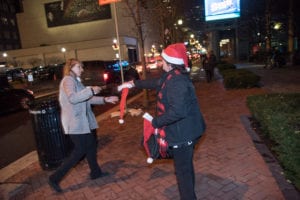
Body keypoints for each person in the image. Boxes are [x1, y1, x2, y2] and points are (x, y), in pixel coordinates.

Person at [118, 43, 206, 200]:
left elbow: (178, 111)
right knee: (185, 167)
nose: (160, 63)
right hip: (184, 130)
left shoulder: (177, 81)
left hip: (184, 134)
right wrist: (133, 84)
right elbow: (156, 83)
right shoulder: (172, 75)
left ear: (170, 63)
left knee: (182, 173)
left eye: (162, 60)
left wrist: (156, 122)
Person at [48, 58, 119, 193]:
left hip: (83, 122)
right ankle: (54, 178)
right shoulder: (68, 80)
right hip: (75, 123)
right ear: (71, 68)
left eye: (82, 67)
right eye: (79, 67)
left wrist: (105, 99)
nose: (82, 69)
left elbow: (87, 98)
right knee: (79, 152)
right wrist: (91, 90)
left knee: (91, 146)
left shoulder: (76, 81)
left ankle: (95, 172)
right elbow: (73, 98)